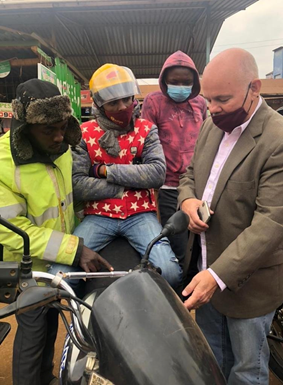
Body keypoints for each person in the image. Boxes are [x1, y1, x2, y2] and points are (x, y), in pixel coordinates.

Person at [177, 48, 283, 385]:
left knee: (246, 370)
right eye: (208, 99)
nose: (213, 109)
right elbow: (189, 175)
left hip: (247, 283)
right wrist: (187, 202)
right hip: (204, 269)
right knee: (213, 358)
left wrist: (217, 276)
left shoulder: (280, 140)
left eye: (222, 99)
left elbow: (272, 225)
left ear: (254, 88)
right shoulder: (212, 126)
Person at [0, 79, 112, 385]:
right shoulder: (2, 165)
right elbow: (11, 232)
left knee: (53, 324)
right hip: (31, 270)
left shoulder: (61, 149)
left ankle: (46, 377)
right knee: (34, 330)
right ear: (25, 128)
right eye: (49, 130)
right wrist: (75, 250)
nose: (59, 136)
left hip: (59, 263)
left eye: (63, 126)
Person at [66, 63, 182, 289]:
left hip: (140, 215)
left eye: (127, 99)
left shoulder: (147, 129)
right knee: (60, 274)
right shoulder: (84, 133)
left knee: (170, 272)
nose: (123, 106)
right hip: (98, 216)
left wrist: (103, 170)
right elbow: (78, 184)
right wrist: (126, 186)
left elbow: (157, 173)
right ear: (100, 104)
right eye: (113, 103)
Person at [141, 50, 207, 271]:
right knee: (175, 242)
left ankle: (192, 283)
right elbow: (146, 140)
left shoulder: (201, 104)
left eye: (186, 82)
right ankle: (178, 291)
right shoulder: (153, 102)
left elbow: (206, 139)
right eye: (174, 81)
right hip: (166, 186)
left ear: (195, 82)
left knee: (198, 240)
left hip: (196, 185)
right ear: (164, 81)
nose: (181, 86)